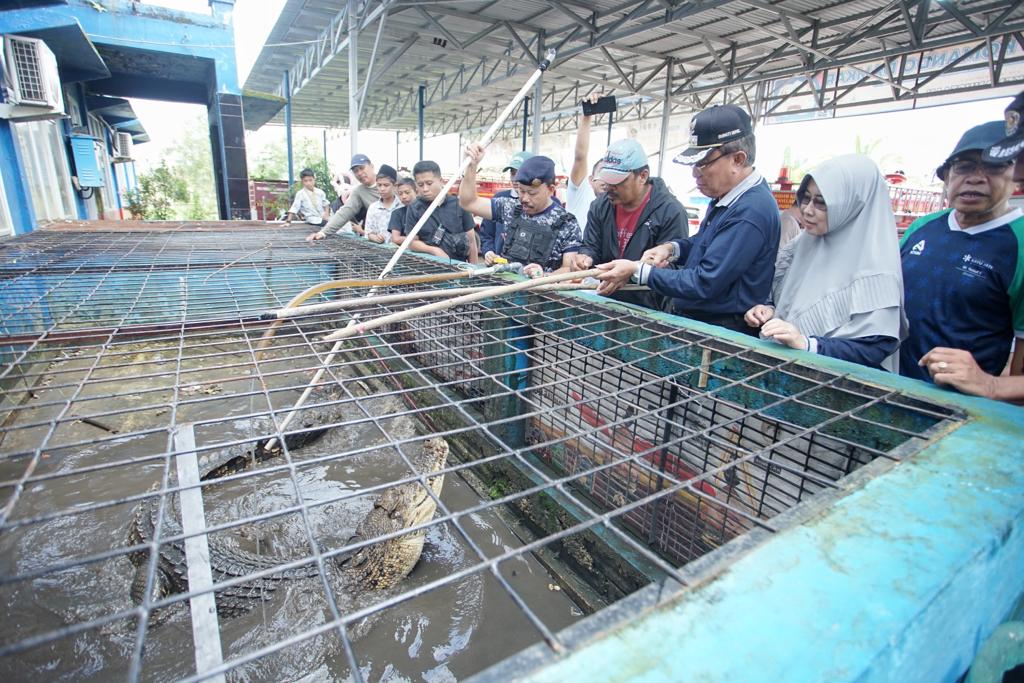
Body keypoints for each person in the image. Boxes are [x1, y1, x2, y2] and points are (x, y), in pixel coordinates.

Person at [595, 104, 781, 335]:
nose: (695, 173)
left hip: (722, 331)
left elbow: (705, 281)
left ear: (738, 159)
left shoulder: (751, 210)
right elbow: (705, 242)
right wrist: (672, 248)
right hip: (700, 322)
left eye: (703, 164)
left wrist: (637, 270)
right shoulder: (727, 197)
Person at [744, 154, 905, 371]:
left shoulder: (876, 269)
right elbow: (790, 302)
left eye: (821, 202)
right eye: (806, 198)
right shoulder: (803, 245)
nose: (808, 210)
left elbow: (874, 347)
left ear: (852, 205)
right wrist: (770, 311)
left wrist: (807, 344)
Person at [901, 121, 1024, 402]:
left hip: (957, 409)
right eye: (964, 167)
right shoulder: (921, 227)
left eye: (995, 166)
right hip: (889, 391)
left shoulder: (1019, 243)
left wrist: (991, 386)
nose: (976, 178)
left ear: (1016, 175)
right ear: (947, 176)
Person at [571, 138, 687, 310]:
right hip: (606, 301)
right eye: (607, 180)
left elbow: (674, 268)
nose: (609, 187)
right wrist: (585, 257)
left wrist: (633, 274)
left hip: (649, 309)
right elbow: (591, 245)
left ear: (642, 176)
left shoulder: (670, 211)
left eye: (618, 182)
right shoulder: (600, 206)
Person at [460, 145, 581, 276]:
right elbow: (468, 202)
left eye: (532, 193)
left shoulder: (567, 224)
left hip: (543, 292)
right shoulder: (510, 208)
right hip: (504, 287)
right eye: (521, 191)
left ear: (551, 189)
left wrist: (545, 275)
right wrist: (471, 166)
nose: (524, 198)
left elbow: (569, 269)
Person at [403, 160, 478, 263]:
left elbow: (471, 241)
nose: (425, 189)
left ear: (441, 181)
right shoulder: (414, 208)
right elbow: (412, 242)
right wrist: (434, 250)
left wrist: (473, 269)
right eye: (420, 185)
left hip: (459, 266)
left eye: (429, 183)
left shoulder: (459, 204)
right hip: (429, 267)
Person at [308, 154, 380, 242]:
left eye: (362, 168)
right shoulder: (359, 191)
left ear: (372, 166)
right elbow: (345, 212)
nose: (359, 173)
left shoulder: (391, 180)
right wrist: (323, 233)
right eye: (356, 171)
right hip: (378, 236)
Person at [479, 150, 534, 263]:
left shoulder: (542, 206)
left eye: (519, 173)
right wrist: (488, 251)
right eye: (512, 173)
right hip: (500, 266)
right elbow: (486, 233)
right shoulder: (499, 200)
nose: (515, 178)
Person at [567, 93, 609, 232]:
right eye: (602, 173)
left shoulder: (616, 207)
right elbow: (580, 156)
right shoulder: (581, 192)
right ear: (590, 179)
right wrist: (587, 116)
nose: (606, 180)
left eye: (611, 175)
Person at [363, 165, 400, 244]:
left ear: (395, 186)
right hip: (378, 251)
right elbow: (368, 232)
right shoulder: (373, 208)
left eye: (386, 185)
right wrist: (374, 238)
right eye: (379, 185)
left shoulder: (401, 206)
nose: (382, 189)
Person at [389, 177, 417, 246]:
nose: (404, 196)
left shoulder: (426, 210)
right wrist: (415, 239)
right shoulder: (397, 213)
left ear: (416, 191)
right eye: (400, 194)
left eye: (407, 192)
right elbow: (395, 239)